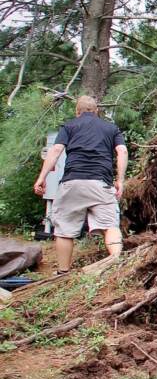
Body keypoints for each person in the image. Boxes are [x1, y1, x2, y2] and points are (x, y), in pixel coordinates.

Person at [33, 95, 128, 274]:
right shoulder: (111, 128)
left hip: (72, 183)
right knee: (110, 226)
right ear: (96, 110)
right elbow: (122, 151)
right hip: (101, 184)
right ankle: (116, 263)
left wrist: (41, 178)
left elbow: (55, 151)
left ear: (77, 112)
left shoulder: (69, 126)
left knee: (64, 230)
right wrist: (120, 180)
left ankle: (63, 272)